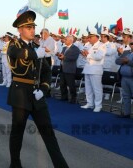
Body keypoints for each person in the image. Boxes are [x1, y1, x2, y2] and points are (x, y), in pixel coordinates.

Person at [7, 9, 68, 168]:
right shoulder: (14, 45)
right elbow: (18, 53)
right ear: (20, 29)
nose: (32, 30)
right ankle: (15, 164)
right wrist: (36, 53)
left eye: (33, 27)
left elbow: (47, 71)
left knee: (48, 133)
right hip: (20, 94)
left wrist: (44, 88)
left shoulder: (37, 46)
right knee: (17, 133)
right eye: (28, 27)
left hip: (37, 95)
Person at [80, 31, 106, 112]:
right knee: (88, 88)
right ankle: (90, 103)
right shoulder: (88, 45)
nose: (89, 39)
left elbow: (99, 57)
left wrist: (88, 55)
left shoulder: (101, 45)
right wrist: (84, 55)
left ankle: (98, 105)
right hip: (87, 69)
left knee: (97, 89)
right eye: (88, 37)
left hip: (95, 70)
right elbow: (86, 57)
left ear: (96, 37)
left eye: (90, 37)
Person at [115, 28, 133, 118]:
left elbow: (127, 61)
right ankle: (127, 113)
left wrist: (127, 61)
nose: (132, 45)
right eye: (131, 44)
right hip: (124, 77)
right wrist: (124, 60)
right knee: (126, 96)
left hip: (132, 77)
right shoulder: (126, 52)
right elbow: (117, 61)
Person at [58, 35, 80, 103]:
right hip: (62, 68)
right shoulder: (64, 48)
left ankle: (73, 98)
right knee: (62, 84)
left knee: (71, 85)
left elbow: (73, 58)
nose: (64, 40)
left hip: (70, 69)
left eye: (66, 39)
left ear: (71, 40)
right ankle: (64, 97)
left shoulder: (75, 48)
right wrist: (59, 56)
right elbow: (61, 56)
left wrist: (64, 57)